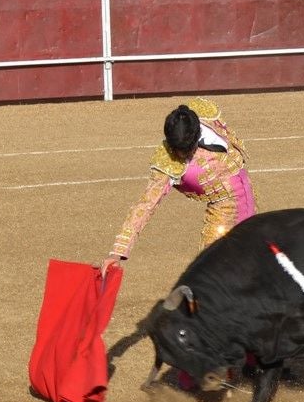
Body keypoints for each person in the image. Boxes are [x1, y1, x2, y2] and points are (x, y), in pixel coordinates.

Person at [103, 99, 256, 275]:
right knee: (211, 271)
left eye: (187, 148)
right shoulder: (167, 163)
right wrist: (117, 253)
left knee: (250, 256)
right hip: (222, 210)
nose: (183, 154)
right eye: (178, 150)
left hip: (248, 195)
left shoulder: (206, 111)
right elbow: (145, 206)